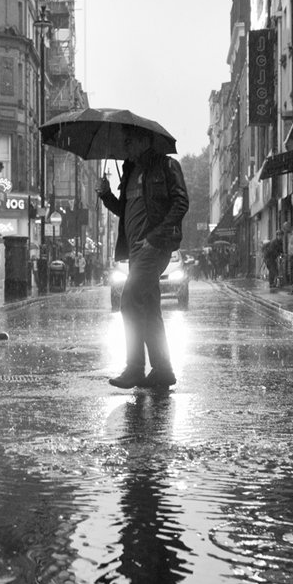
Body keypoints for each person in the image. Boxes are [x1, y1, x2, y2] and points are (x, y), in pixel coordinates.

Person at [96, 125, 189, 388]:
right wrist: (106, 195)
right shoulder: (129, 171)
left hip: (155, 247)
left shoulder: (166, 166)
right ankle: (162, 370)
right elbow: (124, 211)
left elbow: (181, 203)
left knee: (129, 302)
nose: (125, 147)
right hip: (135, 251)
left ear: (144, 141)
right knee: (149, 309)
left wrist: (154, 237)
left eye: (129, 142)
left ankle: (135, 368)